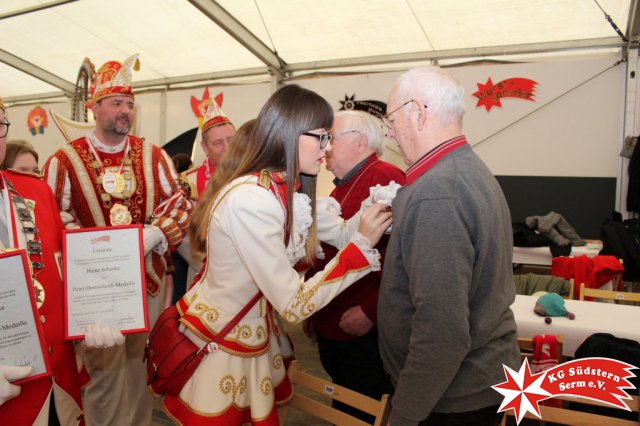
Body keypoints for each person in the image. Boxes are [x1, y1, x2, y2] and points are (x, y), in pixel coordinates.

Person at [164, 84, 392, 425]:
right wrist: (360, 249)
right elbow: (294, 303)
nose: (327, 149)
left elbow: (337, 236)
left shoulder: (285, 188)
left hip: (253, 332)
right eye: (322, 137)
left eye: (331, 138)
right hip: (223, 340)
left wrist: (375, 210)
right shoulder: (251, 199)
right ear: (289, 133)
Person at [43, 54, 193, 426]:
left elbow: (180, 204)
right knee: (103, 376)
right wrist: (95, 249)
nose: (125, 111)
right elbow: (51, 217)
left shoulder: (152, 155)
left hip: (149, 286)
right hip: (94, 292)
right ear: (95, 109)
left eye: (129, 104)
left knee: (141, 372)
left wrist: (156, 232)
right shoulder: (64, 160)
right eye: (116, 104)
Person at [377, 66, 520, 426]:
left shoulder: (437, 193)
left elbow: (442, 332)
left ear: (419, 112)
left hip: (450, 398)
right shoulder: (468, 169)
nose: (390, 132)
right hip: (467, 385)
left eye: (392, 120)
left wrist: (404, 415)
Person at [0, 97, 124, 425]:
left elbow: (63, 274)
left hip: (57, 388)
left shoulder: (37, 192)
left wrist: (91, 320)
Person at [304, 110, 405, 422]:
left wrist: (370, 311)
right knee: (346, 404)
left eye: (331, 138)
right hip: (335, 322)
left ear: (361, 143)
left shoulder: (385, 179)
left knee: (363, 406)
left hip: (360, 326)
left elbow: (399, 259)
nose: (325, 147)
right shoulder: (342, 186)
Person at [183, 101, 235, 199]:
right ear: (205, 148)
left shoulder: (252, 174)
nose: (227, 148)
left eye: (231, 140)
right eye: (218, 143)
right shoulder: (190, 184)